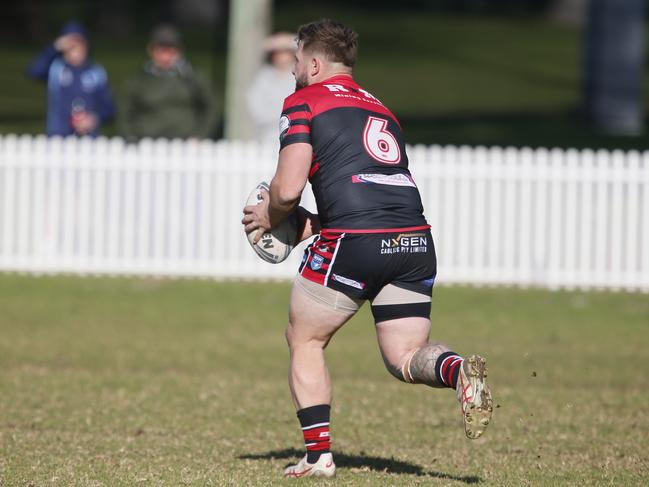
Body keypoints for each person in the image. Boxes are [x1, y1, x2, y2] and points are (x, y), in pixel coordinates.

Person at [242, 19, 493, 479]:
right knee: (404, 357)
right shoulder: (381, 108)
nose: (293, 68)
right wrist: (313, 226)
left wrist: (271, 216)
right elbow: (371, 190)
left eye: (297, 59)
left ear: (314, 63)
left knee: (305, 338)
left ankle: (318, 455)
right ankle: (458, 372)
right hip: (414, 240)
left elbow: (287, 188)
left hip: (355, 244)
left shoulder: (303, 102)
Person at [120, 24, 218, 141]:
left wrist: (200, 135)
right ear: (151, 51)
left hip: (185, 143)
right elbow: (124, 111)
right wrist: (131, 136)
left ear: (179, 51)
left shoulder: (192, 76)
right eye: (161, 50)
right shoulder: (139, 79)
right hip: (148, 142)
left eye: (170, 50)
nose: (165, 56)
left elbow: (211, 106)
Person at [26, 21, 115, 137]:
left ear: (86, 45)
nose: (75, 49)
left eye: (78, 44)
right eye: (70, 45)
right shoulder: (56, 68)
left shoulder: (96, 72)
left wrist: (94, 119)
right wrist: (53, 48)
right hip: (58, 137)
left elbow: (109, 109)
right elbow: (33, 71)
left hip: (88, 138)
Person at [246, 32, 297, 144]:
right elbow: (255, 106)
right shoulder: (263, 77)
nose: (282, 56)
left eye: (285, 52)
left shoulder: (300, 76)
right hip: (267, 136)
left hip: (296, 135)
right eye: (278, 52)